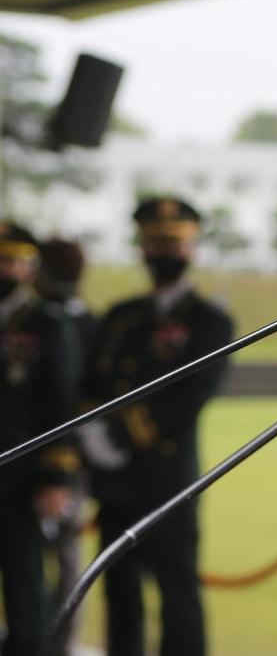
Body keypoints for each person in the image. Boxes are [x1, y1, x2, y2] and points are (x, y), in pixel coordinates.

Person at [82, 197, 232, 656]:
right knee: (120, 595)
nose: (162, 252)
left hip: (169, 481)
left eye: (173, 242)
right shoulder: (121, 315)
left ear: (191, 248)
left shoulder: (209, 321)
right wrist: (92, 434)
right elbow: (93, 382)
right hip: (116, 483)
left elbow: (189, 397)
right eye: (154, 242)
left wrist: (124, 436)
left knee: (177, 593)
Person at [0, 222, 79, 656]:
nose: (5, 270)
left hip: (21, 481)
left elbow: (61, 405)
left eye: (14, 261)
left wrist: (57, 478)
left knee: (26, 598)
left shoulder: (47, 324)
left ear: (30, 269)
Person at [33, 238, 96, 656]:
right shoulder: (90, 320)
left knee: (60, 554)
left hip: (64, 457)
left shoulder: (53, 322)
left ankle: (52, 642)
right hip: (71, 455)